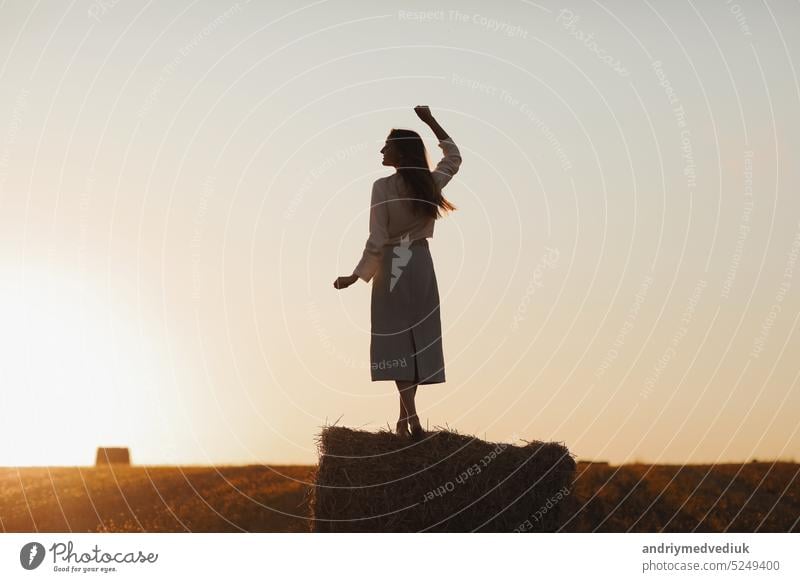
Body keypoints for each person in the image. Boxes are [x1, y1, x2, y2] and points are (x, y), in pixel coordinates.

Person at [333, 105, 462, 440]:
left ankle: (412, 419)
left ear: (400, 152)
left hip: (393, 266)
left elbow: (378, 237)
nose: (381, 150)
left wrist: (356, 274)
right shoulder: (429, 183)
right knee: (417, 341)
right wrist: (431, 121)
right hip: (420, 264)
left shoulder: (383, 187)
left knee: (397, 345)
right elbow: (454, 157)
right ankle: (407, 419)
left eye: (386, 145)